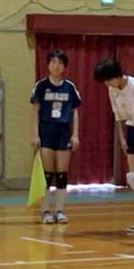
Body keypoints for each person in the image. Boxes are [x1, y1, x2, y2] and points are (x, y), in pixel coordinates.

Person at [94, 58, 134, 233]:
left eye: (108, 80)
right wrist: (122, 138)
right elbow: (118, 116)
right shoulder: (112, 90)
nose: (107, 84)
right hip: (131, 130)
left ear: (116, 75)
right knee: (133, 178)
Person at [30, 49, 81, 224]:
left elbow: (74, 112)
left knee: (61, 173)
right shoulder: (41, 86)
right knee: (47, 174)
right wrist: (35, 134)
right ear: (47, 65)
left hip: (63, 132)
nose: (56, 66)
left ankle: (59, 210)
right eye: (53, 62)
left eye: (60, 63)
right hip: (46, 131)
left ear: (64, 66)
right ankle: (45, 211)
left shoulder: (70, 87)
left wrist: (75, 135)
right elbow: (35, 111)